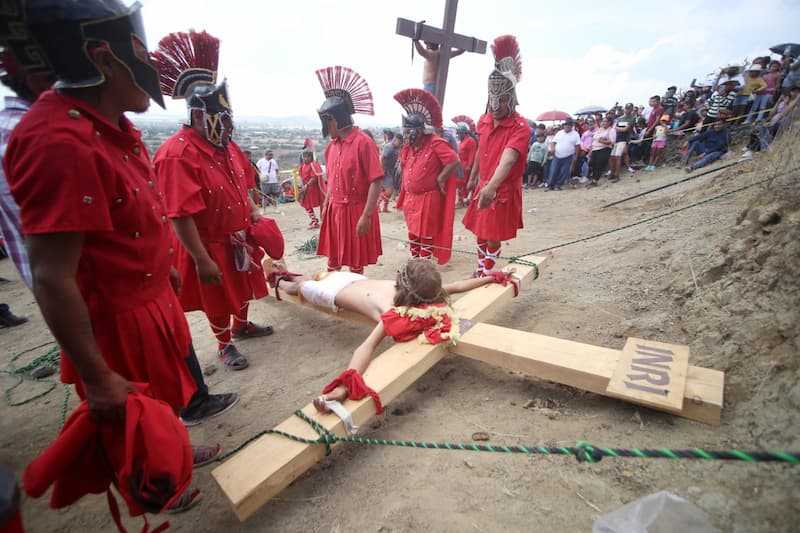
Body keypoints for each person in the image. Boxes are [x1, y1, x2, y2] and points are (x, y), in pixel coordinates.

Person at [3, 2, 237, 513]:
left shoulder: (111, 123)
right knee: (131, 411)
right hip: (113, 318)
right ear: (103, 59)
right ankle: (155, 484)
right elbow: (51, 275)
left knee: (164, 399)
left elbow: (133, 214)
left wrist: (166, 264)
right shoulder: (57, 141)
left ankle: (172, 446)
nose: (151, 67)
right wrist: (95, 373)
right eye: (138, 52)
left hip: (151, 296)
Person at [152, 30, 272, 371]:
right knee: (217, 295)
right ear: (197, 116)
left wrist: (253, 216)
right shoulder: (177, 154)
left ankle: (243, 326)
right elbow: (179, 214)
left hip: (237, 235)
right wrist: (201, 259)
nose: (224, 125)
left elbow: (244, 184)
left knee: (243, 284)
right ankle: (224, 344)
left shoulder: (228, 147)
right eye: (217, 118)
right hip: (207, 243)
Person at [269, 259, 517, 412]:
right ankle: (279, 280)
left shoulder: (400, 306)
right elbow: (366, 348)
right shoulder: (408, 305)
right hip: (338, 288)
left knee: (308, 281)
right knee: (300, 286)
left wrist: (495, 276)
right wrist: (495, 277)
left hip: (347, 282)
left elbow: (460, 285)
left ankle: (281, 276)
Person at [463, 35, 531, 277]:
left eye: (500, 99)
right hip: (485, 185)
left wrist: (491, 186)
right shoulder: (484, 120)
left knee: (492, 235)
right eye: (492, 99)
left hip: (501, 190)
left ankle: (486, 272)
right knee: (480, 231)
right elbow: (482, 150)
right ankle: (482, 267)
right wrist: (473, 178)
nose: (495, 105)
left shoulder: (521, 126)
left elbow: (509, 158)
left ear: (511, 98)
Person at [314, 66, 383, 274]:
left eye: (327, 120)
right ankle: (332, 299)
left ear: (336, 119)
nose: (326, 126)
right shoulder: (331, 147)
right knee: (333, 261)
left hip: (356, 210)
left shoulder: (363, 142)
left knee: (355, 262)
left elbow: (376, 180)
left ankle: (353, 300)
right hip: (335, 209)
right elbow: (331, 182)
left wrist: (367, 215)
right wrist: (326, 205)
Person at [393, 88, 459, 263]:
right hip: (411, 198)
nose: (405, 136)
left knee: (426, 235)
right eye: (404, 132)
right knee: (413, 234)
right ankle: (415, 264)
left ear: (420, 131)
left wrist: (441, 178)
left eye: (408, 132)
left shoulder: (436, 143)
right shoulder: (408, 147)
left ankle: (423, 270)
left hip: (428, 199)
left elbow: (453, 160)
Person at [546, 118, 580, 191]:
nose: (567, 126)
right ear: (564, 125)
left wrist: (576, 156)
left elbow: (577, 146)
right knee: (553, 171)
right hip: (557, 155)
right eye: (566, 124)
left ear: (572, 126)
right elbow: (553, 142)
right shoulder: (559, 133)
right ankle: (550, 185)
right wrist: (552, 148)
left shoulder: (575, 134)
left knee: (564, 172)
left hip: (568, 156)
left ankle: (558, 185)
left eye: (569, 124)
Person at [298, 149, 325, 228]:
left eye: (308, 156)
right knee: (305, 204)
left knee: (307, 203)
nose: (306, 158)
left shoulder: (314, 164)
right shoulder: (302, 165)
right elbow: (301, 177)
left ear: (311, 157)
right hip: (305, 187)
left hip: (313, 188)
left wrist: (307, 185)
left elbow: (315, 177)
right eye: (304, 157)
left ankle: (315, 221)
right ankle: (313, 219)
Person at [587, 116, 616, 186]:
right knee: (594, 164)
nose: (603, 123)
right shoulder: (599, 130)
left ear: (609, 122)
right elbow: (594, 140)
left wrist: (602, 141)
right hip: (595, 149)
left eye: (605, 121)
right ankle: (594, 179)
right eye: (603, 121)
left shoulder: (611, 130)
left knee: (599, 165)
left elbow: (612, 141)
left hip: (604, 149)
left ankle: (595, 181)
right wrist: (591, 150)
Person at [377, 131, 401, 213]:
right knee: (389, 190)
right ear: (395, 139)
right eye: (399, 142)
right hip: (386, 170)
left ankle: (385, 207)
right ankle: (377, 204)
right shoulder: (389, 147)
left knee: (388, 191)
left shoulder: (397, 148)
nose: (400, 144)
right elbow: (382, 158)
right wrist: (382, 170)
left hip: (391, 170)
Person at [611, 103, 636, 176]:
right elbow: (616, 128)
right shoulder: (620, 118)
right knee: (624, 153)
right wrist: (619, 129)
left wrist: (617, 128)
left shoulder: (632, 118)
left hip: (625, 137)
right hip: (617, 137)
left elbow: (625, 129)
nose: (627, 110)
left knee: (622, 154)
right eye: (626, 108)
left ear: (631, 109)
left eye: (629, 108)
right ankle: (627, 167)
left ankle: (627, 168)